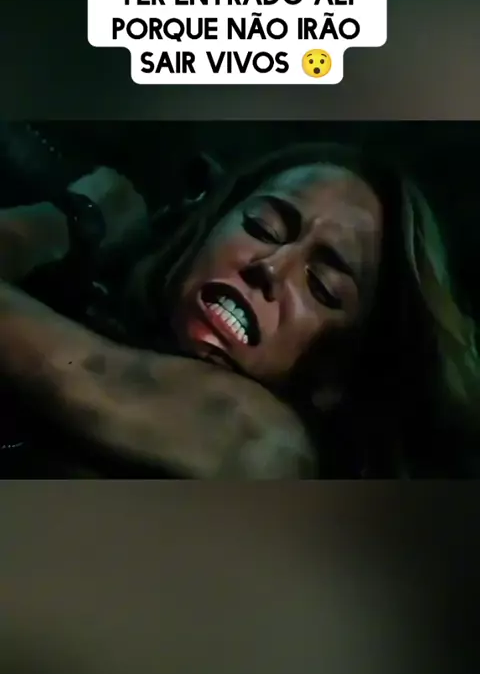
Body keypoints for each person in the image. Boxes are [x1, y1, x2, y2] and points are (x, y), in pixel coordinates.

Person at [0, 136, 478, 478]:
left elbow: (82, 370)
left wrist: (79, 218)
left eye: (323, 286)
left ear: (337, 372)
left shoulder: (264, 441)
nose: (270, 267)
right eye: (263, 226)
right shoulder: (85, 306)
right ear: (208, 225)